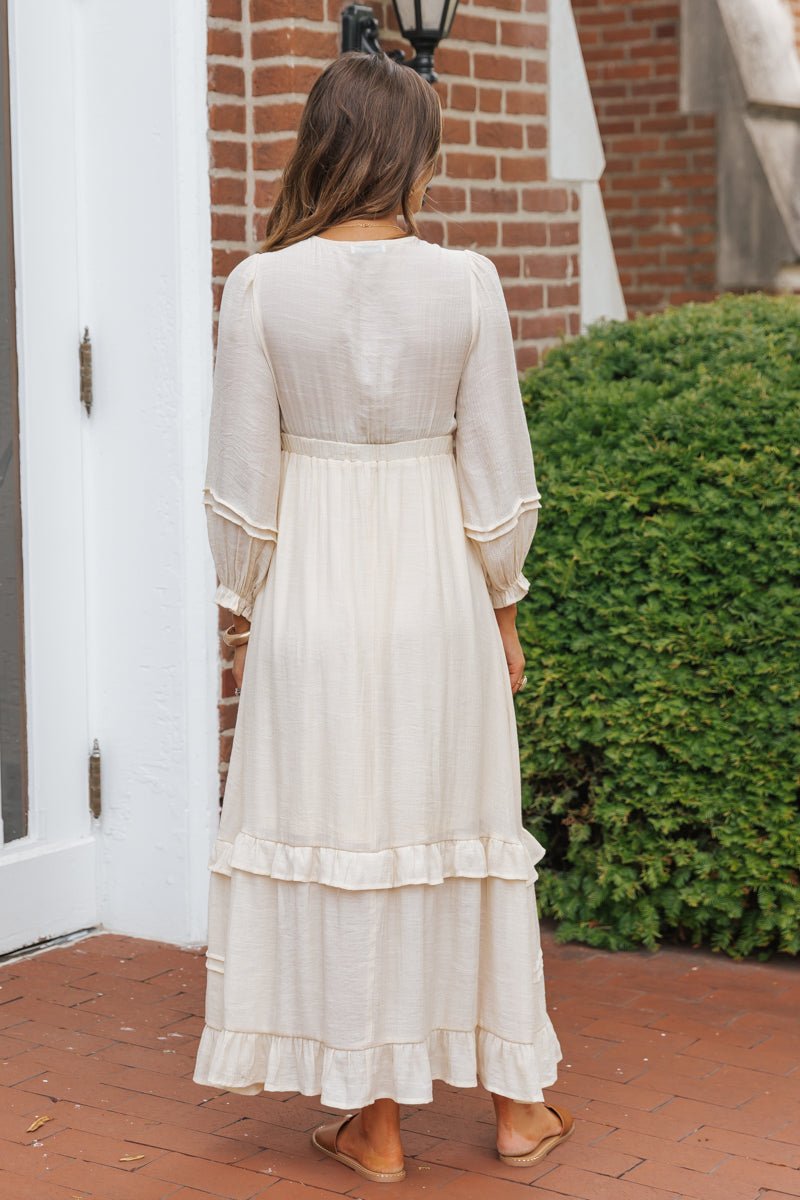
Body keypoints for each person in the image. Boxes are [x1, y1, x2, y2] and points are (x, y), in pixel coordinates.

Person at [193, 49, 572, 1186]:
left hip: (313, 588)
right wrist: (502, 605)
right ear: (410, 150)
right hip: (436, 598)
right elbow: (496, 471)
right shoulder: (466, 282)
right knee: (460, 832)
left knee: (343, 838)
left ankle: (375, 1126)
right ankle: (516, 1106)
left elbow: (242, 483)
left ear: (320, 139)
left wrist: (242, 601)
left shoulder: (259, 286)